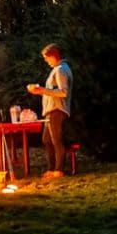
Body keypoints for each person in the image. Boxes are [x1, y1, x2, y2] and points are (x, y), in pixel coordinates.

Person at [26, 44, 73, 178]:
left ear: (53, 56)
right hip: (51, 110)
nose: (46, 61)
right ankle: (51, 169)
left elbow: (63, 92)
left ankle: (58, 170)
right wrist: (39, 91)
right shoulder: (58, 69)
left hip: (57, 110)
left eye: (47, 58)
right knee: (46, 140)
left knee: (56, 140)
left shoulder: (60, 70)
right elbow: (53, 91)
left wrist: (42, 90)